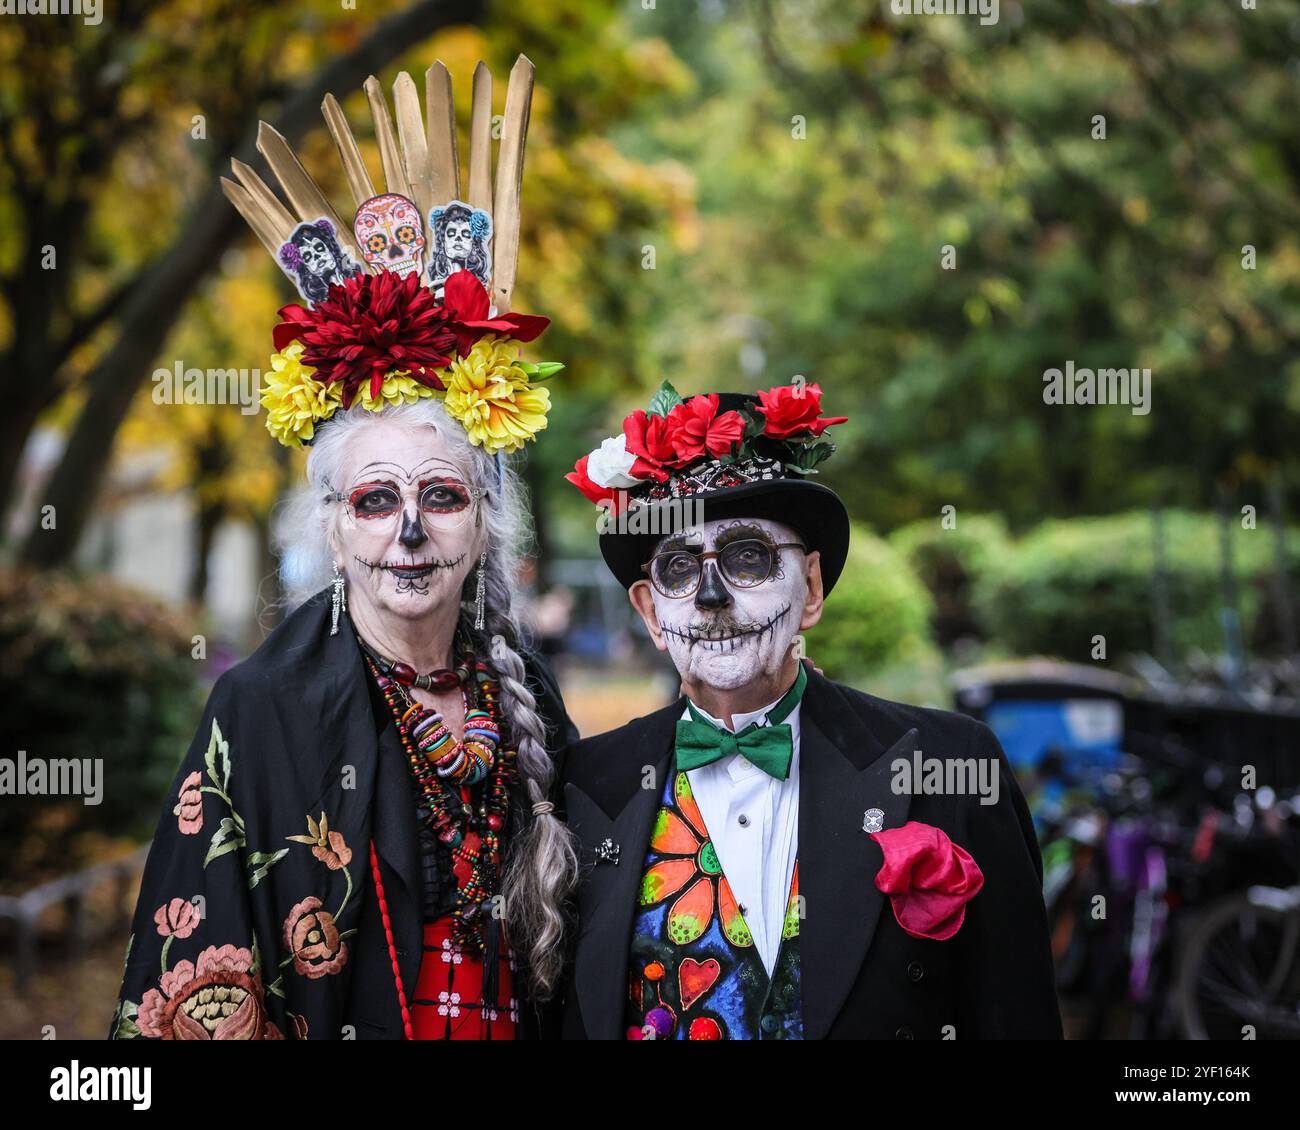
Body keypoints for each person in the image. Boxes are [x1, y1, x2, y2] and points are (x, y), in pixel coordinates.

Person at [110, 56, 578, 1041]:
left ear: (487, 520)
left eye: (442, 496)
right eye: (374, 500)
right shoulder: (261, 703)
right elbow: (196, 980)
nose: (408, 532)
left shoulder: (528, 692)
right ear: (330, 525)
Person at [560, 382, 1063, 1040]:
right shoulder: (584, 787)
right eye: (679, 569)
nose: (711, 596)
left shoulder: (951, 767)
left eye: (748, 557)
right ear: (652, 614)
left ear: (813, 589)